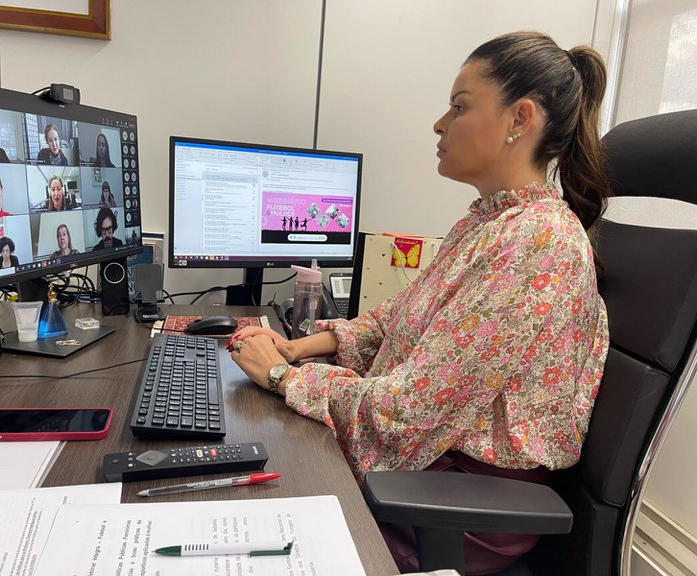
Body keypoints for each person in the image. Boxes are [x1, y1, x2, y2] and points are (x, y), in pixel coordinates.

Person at [227, 31, 611, 575]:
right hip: (429, 472)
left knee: (253, 513)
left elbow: (407, 413)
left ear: (519, 119)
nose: (440, 123)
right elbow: (399, 317)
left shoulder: (539, 243)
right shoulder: (491, 222)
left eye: (459, 107)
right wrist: (297, 347)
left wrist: (281, 378)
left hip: (454, 506)